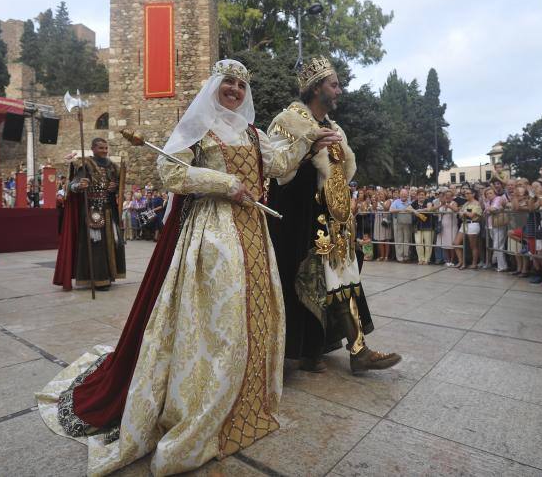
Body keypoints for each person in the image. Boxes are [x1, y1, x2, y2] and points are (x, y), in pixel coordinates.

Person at [37, 60, 340, 476]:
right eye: (228, 82)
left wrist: (309, 145)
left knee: (254, 314)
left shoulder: (252, 133)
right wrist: (223, 183)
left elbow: (280, 168)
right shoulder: (199, 125)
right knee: (221, 320)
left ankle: (245, 400)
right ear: (215, 86)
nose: (234, 89)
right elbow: (170, 171)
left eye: (240, 84)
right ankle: (205, 403)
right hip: (213, 233)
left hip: (253, 233)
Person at [266, 55, 401, 374]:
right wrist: (309, 149)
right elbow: (275, 168)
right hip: (302, 220)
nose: (340, 90)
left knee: (345, 281)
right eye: (334, 84)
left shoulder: (334, 127)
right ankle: (307, 350)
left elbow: (341, 172)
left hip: (335, 220)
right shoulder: (288, 121)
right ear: (316, 89)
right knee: (308, 283)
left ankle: (358, 351)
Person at [53, 138, 126, 291]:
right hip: (92, 211)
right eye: (101, 148)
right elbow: (71, 186)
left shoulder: (113, 166)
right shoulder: (85, 164)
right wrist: (80, 185)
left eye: (106, 148)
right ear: (93, 149)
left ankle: (109, 276)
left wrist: (115, 186)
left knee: (111, 244)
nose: (105, 151)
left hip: (109, 210)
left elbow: (120, 184)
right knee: (96, 245)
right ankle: (98, 279)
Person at [453, 187, 482, 269]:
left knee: (473, 246)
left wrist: (464, 212)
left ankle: (474, 263)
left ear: (473, 194)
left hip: (473, 224)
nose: (466, 195)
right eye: (465, 193)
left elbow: (472, 215)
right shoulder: (466, 204)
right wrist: (463, 213)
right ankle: (461, 261)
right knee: (456, 243)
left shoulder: (477, 203)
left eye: (468, 193)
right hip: (464, 224)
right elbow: (460, 214)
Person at [390, 188, 413, 262]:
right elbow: (391, 210)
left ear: (407, 195)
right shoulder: (396, 202)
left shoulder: (410, 202)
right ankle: (400, 257)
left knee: (407, 239)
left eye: (405, 194)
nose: (404, 196)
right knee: (398, 239)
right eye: (402, 194)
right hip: (397, 222)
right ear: (400, 195)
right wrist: (401, 210)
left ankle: (406, 256)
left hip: (407, 222)